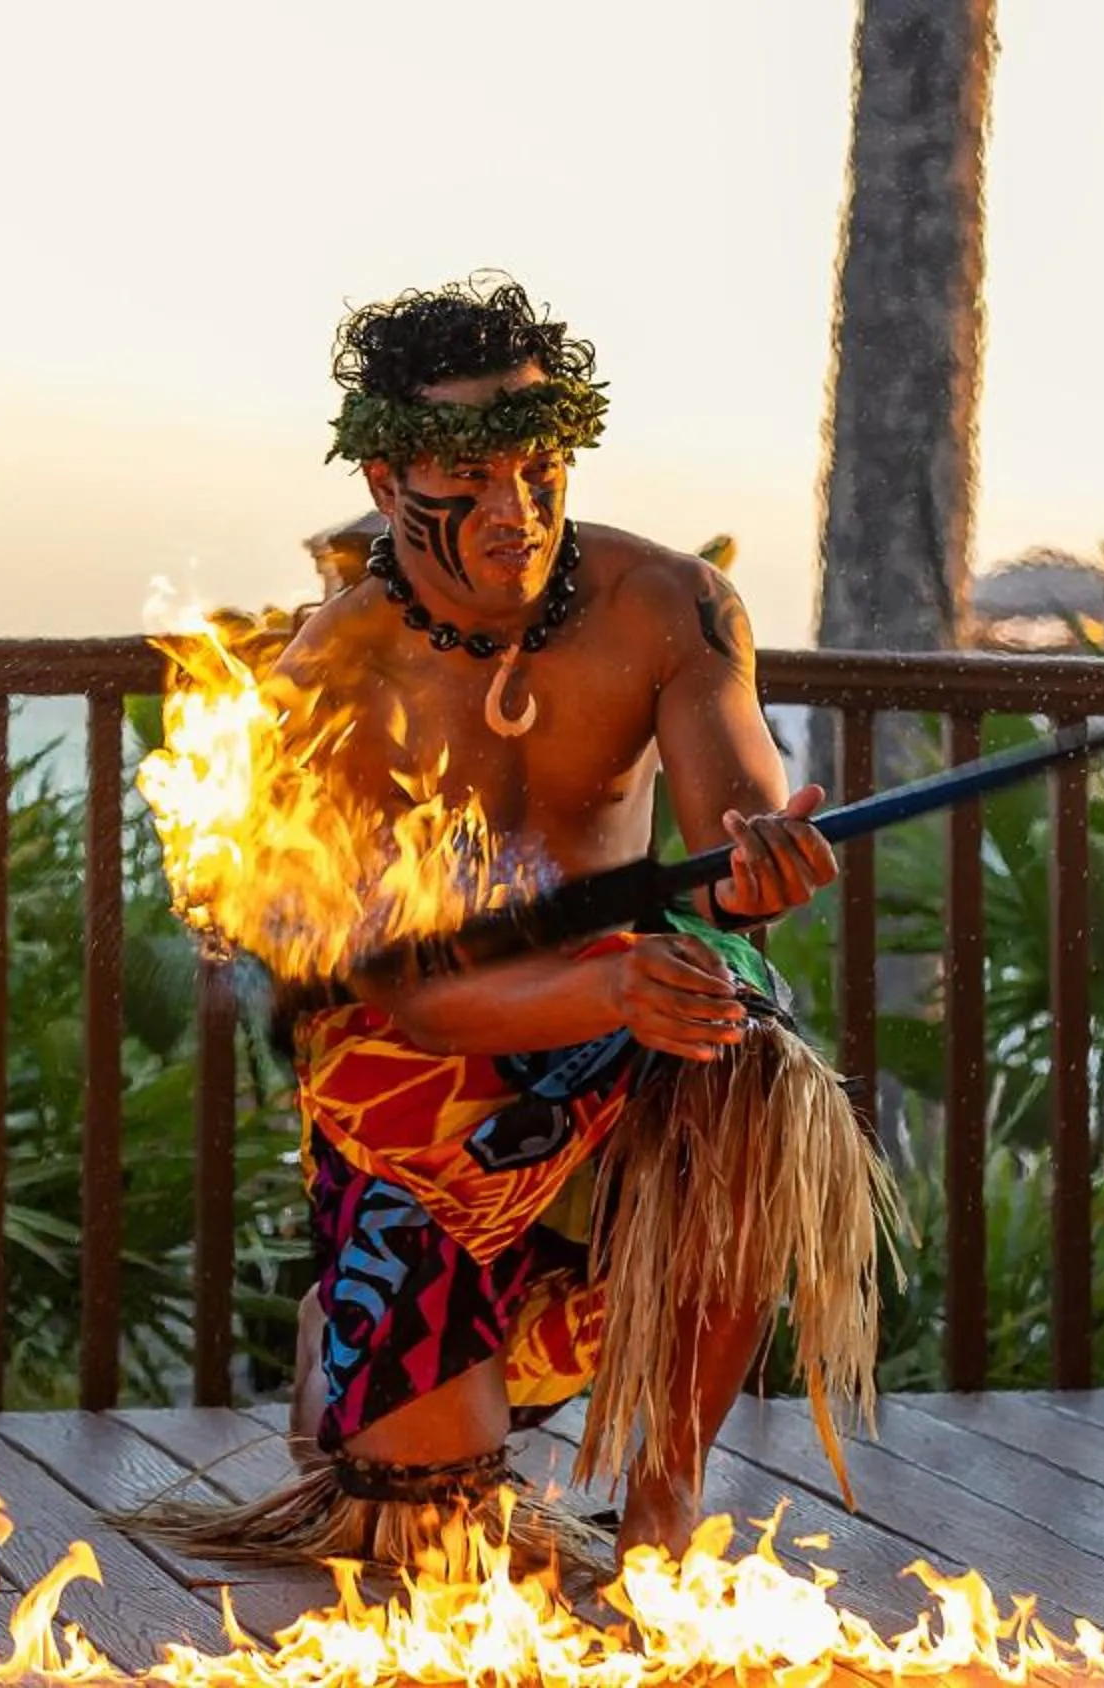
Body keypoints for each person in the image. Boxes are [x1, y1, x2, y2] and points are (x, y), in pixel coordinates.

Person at [118, 275, 896, 1576]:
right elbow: (409, 995)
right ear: (385, 478)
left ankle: (661, 1503)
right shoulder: (336, 680)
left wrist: (753, 860)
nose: (513, 510)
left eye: (536, 466)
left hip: (626, 1004)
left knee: (754, 1067)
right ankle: (351, 1359)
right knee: (424, 1523)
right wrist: (611, 992)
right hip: (419, 1067)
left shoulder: (670, 605)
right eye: (467, 477)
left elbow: (730, 823)